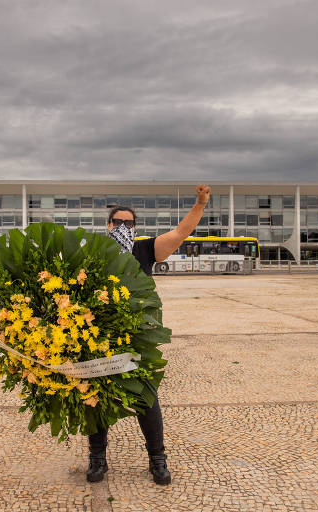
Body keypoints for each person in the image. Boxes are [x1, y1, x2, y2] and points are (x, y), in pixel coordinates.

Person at [86, 184, 211, 486]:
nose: (123, 227)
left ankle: (157, 458)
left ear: (136, 227)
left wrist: (200, 203)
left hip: (137, 336)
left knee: (146, 398)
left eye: (129, 223)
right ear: (108, 225)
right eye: (118, 223)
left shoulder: (145, 250)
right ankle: (97, 458)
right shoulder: (92, 252)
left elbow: (180, 233)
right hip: (99, 336)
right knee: (96, 398)